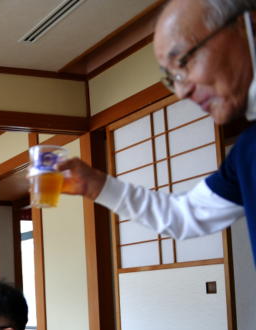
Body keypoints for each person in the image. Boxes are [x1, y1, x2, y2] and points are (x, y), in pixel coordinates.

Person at [58, 0, 256, 264]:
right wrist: (96, 185)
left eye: (184, 62)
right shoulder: (247, 151)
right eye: (172, 78)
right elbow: (185, 216)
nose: (182, 91)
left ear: (248, 26)